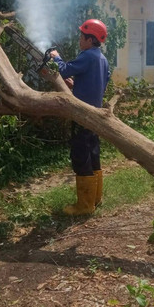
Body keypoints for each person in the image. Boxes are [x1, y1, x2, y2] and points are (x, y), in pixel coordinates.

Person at [50, 18, 110, 215]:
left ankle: (84, 206)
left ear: (91, 39)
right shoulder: (101, 58)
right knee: (93, 154)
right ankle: (96, 198)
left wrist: (56, 57)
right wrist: (77, 86)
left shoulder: (88, 55)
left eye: (82, 36)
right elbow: (101, 81)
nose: (79, 40)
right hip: (95, 114)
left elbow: (64, 69)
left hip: (83, 114)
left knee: (80, 155)